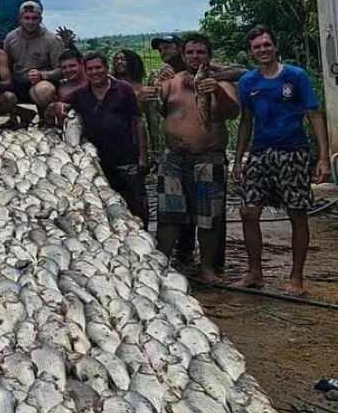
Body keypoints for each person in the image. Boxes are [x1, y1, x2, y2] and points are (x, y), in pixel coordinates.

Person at [232, 26, 331, 297]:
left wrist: (323, 157)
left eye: (266, 45)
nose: (262, 50)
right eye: (257, 47)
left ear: (275, 46)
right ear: (251, 52)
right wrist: (239, 159)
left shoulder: (295, 77)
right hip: (261, 152)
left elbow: (314, 114)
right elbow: (246, 122)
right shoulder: (248, 83)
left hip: (293, 152)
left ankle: (296, 276)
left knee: (296, 213)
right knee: (248, 212)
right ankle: (255, 273)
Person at [144, 34, 246, 267]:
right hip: (173, 158)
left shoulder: (222, 82)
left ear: (209, 56)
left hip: (208, 156)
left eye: (200, 52)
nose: (195, 57)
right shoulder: (171, 81)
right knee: (168, 216)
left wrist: (217, 92)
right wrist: (146, 97)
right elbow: (155, 110)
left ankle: (208, 268)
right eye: (190, 52)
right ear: (183, 55)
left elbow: (232, 112)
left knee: (208, 217)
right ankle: (163, 265)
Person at [52, 51, 148, 223]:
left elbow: (138, 122)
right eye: (90, 69)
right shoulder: (79, 94)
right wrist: (57, 107)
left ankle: (144, 239)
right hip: (97, 162)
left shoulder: (124, 89)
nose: (94, 72)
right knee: (106, 206)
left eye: (98, 67)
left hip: (126, 158)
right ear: (85, 71)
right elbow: (57, 108)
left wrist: (143, 156)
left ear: (106, 68)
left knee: (137, 206)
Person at [4, 1, 63, 127]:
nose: (30, 22)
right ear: (20, 19)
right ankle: (16, 116)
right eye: (27, 18)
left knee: (44, 90)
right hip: (18, 82)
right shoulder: (10, 38)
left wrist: (43, 75)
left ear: (40, 19)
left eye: (35, 18)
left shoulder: (51, 40)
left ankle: (46, 119)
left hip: (41, 84)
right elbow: (6, 66)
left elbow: (61, 70)